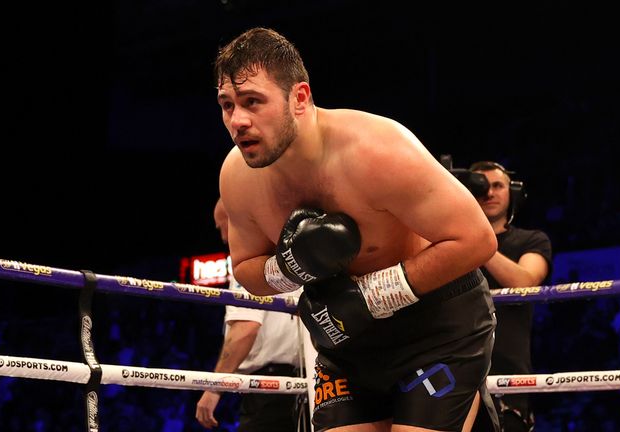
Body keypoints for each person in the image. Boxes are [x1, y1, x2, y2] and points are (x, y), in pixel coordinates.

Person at [215, 27, 500, 432]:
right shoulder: (237, 176)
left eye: (252, 102)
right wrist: (291, 266)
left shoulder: (377, 150)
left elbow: (477, 239)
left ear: (299, 98)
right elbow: (245, 267)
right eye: (227, 105)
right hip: (345, 344)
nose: (237, 120)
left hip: (436, 331)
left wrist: (373, 297)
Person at [195, 198, 304, 431]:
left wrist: (214, 388)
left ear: (234, 222)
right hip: (301, 382)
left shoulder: (248, 265)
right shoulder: (289, 256)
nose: (222, 237)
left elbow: (246, 329)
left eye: (220, 226)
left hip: (269, 387)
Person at [468, 161, 552, 432]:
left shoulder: (532, 240)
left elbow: (524, 282)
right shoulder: (447, 242)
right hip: (456, 367)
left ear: (513, 192)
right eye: (480, 186)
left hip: (508, 371)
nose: (489, 193)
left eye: (497, 185)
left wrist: (478, 242)